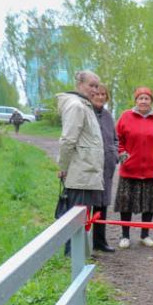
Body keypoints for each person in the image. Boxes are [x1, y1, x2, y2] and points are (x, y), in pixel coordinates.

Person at [56, 71, 104, 249]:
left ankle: (79, 253)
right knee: (76, 216)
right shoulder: (76, 106)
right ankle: (72, 255)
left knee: (83, 215)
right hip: (80, 171)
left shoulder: (85, 105)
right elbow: (68, 139)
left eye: (96, 86)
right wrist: (63, 166)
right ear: (79, 84)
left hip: (86, 170)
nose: (94, 90)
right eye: (91, 85)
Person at [114, 87, 153, 249]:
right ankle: (125, 235)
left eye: (147, 98)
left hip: (152, 170)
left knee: (149, 204)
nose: (143, 101)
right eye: (140, 98)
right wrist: (124, 157)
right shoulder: (125, 116)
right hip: (130, 170)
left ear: (151, 101)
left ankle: (145, 235)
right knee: (126, 204)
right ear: (136, 100)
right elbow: (117, 139)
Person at [90, 84, 118, 253]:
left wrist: (114, 153)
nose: (100, 97)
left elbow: (115, 139)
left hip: (106, 167)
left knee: (102, 205)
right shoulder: (85, 113)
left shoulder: (108, 115)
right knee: (87, 206)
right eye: (97, 94)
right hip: (90, 167)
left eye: (103, 94)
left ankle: (100, 241)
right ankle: (83, 246)